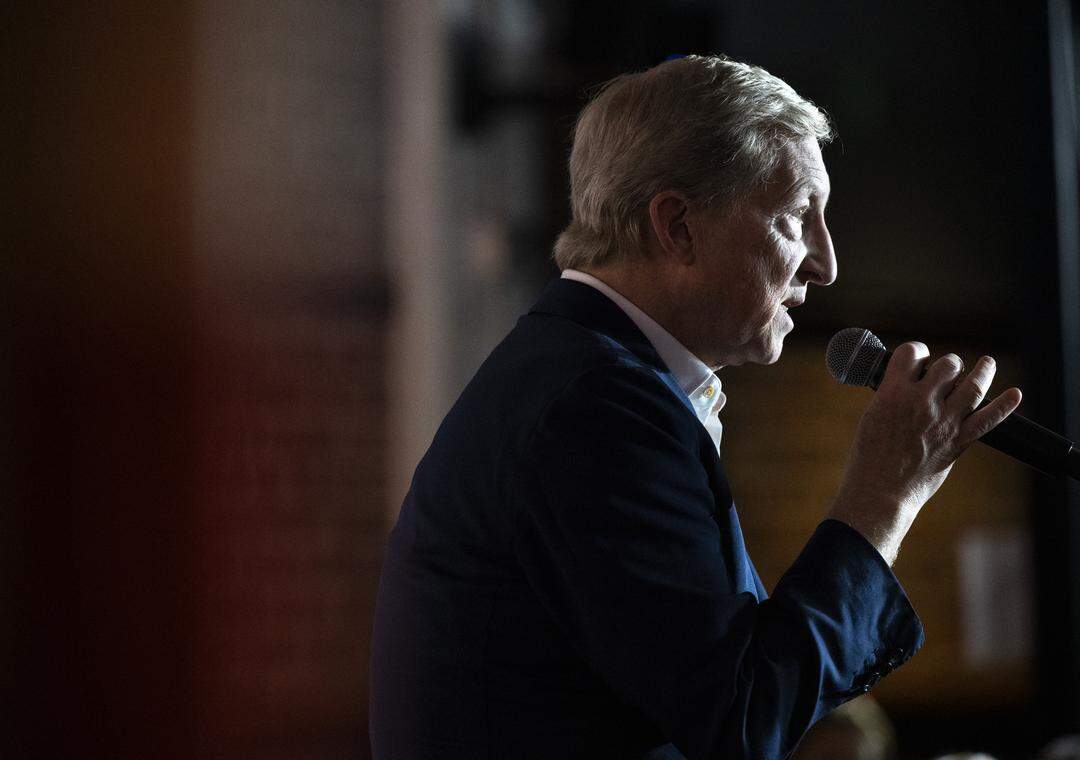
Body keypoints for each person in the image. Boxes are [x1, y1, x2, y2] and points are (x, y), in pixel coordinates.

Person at [369, 54, 1022, 760]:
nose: (825, 262)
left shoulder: (594, 380)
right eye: (797, 217)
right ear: (678, 226)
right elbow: (740, 721)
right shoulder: (596, 409)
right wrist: (883, 495)